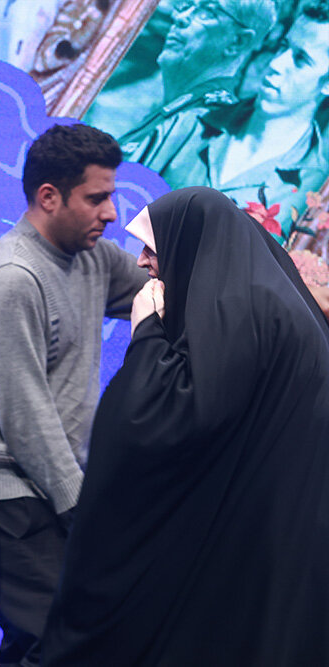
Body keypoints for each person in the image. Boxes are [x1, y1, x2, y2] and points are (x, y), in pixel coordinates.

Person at [42, 187, 329, 665]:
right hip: (279, 538)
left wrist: (147, 334)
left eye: (151, 248)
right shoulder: (267, 301)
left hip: (255, 546)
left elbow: (159, 423)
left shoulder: (241, 313)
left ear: (190, 242)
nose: (141, 261)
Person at [0, 123, 147, 667]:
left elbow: (163, 294)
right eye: (97, 198)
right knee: (59, 639)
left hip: (47, 481)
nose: (112, 213)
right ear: (48, 197)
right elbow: (25, 417)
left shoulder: (94, 259)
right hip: (0, 489)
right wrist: (80, 506)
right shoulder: (12, 278)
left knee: (36, 641)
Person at [169, 0, 329, 229]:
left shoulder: (314, 192)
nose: (276, 63)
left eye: (301, 60)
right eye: (283, 46)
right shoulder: (189, 122)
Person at [118, 0, 275, 176]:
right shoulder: (178, 109)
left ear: (237, 42)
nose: (179, 17)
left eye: (207, 12)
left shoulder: (204, 128)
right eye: (185, 5)